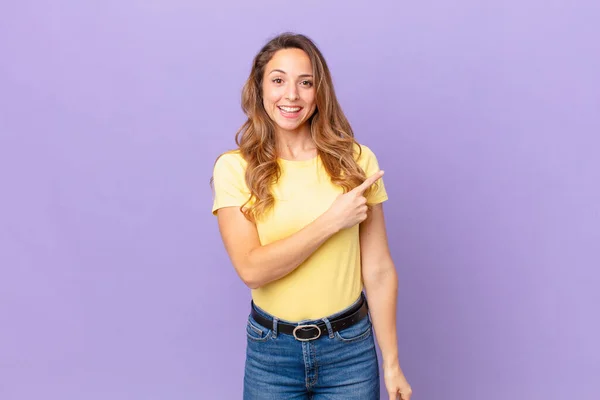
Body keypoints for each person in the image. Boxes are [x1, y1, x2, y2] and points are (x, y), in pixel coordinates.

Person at [211, 32, 412, 400]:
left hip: (349, 349)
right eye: (278, 81)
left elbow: (379, 268)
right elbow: (252, 270)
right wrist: (332, 221)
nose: (291, 95)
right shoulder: (234, 168)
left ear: (320, 92)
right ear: (259, 89)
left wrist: (392, 363)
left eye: (306, 83)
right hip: (271, 353)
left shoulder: (356, 161)